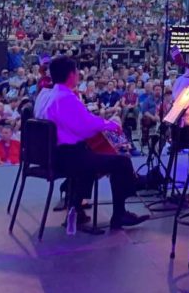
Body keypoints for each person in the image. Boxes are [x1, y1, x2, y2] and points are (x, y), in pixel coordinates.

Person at [35, 57, 148, 228]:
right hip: (68, 157)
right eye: (76, 72)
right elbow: (86, 127)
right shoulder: (66, 97)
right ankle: (120, 214)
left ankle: (76, 208)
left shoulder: (46, 95)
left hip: (51, 155)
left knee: (93, 153)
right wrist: (111, 124)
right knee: (122, 162)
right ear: (71, 75)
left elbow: (77, 123)